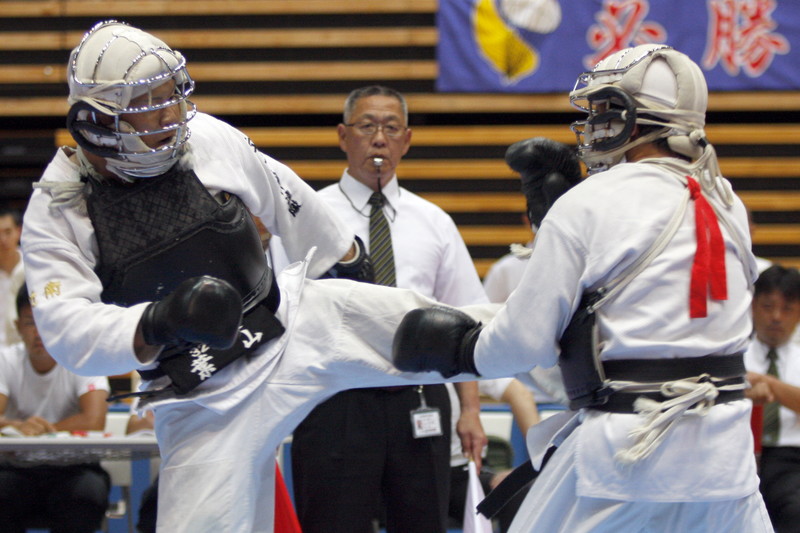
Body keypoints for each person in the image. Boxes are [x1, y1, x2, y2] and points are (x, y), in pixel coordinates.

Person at [21, 20, 497, 532]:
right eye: (150, 102)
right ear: (99, 122)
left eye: (171, 94)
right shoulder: (58, 210)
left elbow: (280, 189)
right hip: (202, 397)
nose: (171, 112)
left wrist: (342, 252)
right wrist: (158, 322)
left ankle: (558, 333)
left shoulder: (202, 135)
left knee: (433, 329)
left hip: (290, 326)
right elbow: (66, 330)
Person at [393, 44, 772, 532]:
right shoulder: (729, 203)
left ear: (633, 120)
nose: (594, 124)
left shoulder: (591, 202)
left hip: (625, 457)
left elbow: (524, 342)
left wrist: (465, 349)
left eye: (604, 110)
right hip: (726, 458)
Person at [288, 85, 488, 533]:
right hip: (334, 397)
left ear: (407, 140)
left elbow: (468, 319)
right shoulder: (309, 215)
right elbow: (281, 310)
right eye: (367, 126)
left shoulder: (434, 222)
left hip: (419, 394)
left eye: (391, 128)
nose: (379, 138)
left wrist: (470, 409)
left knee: (422, 523)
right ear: (343, 136)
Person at [0, 284, 111, 533]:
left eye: (46, 323)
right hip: (16, 470)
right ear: (18, 326)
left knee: (87, 495)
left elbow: (94, 420)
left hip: (75, 470)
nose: (39, 332)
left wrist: (39, 431)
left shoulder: (83, 358)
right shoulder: (5, 360)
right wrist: (18, 427)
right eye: (30, 323)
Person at [744, 265, 800, 532]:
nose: (776, 317)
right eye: (768, 307)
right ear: (753, 306)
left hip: (791, 460)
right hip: (738, 453)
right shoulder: (734, 355)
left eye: (787, 309)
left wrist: (770, 385)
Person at [447, 377, 539, 532]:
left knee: (515, 490)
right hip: (413, 477)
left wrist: (538, 461)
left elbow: (519, 393)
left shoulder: (461, 366)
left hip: (462, 474)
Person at [0, 205, 24, 348]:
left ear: (19, 231)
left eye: (7, 232)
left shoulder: (34, 267)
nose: (2, 239)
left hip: (26, 349)